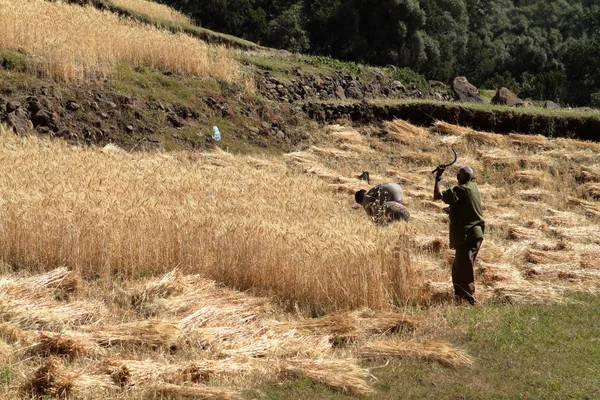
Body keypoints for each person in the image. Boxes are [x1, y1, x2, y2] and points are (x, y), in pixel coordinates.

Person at [433, 165, 485, 305]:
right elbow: (462, 205)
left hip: (467, 235)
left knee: (464, 269)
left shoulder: (460, 189)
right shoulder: (473, 187)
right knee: (458, 268)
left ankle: (469, 300)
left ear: (458, 178)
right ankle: (459, 298)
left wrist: (438, 177)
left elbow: (437, 196)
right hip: (475, 234)